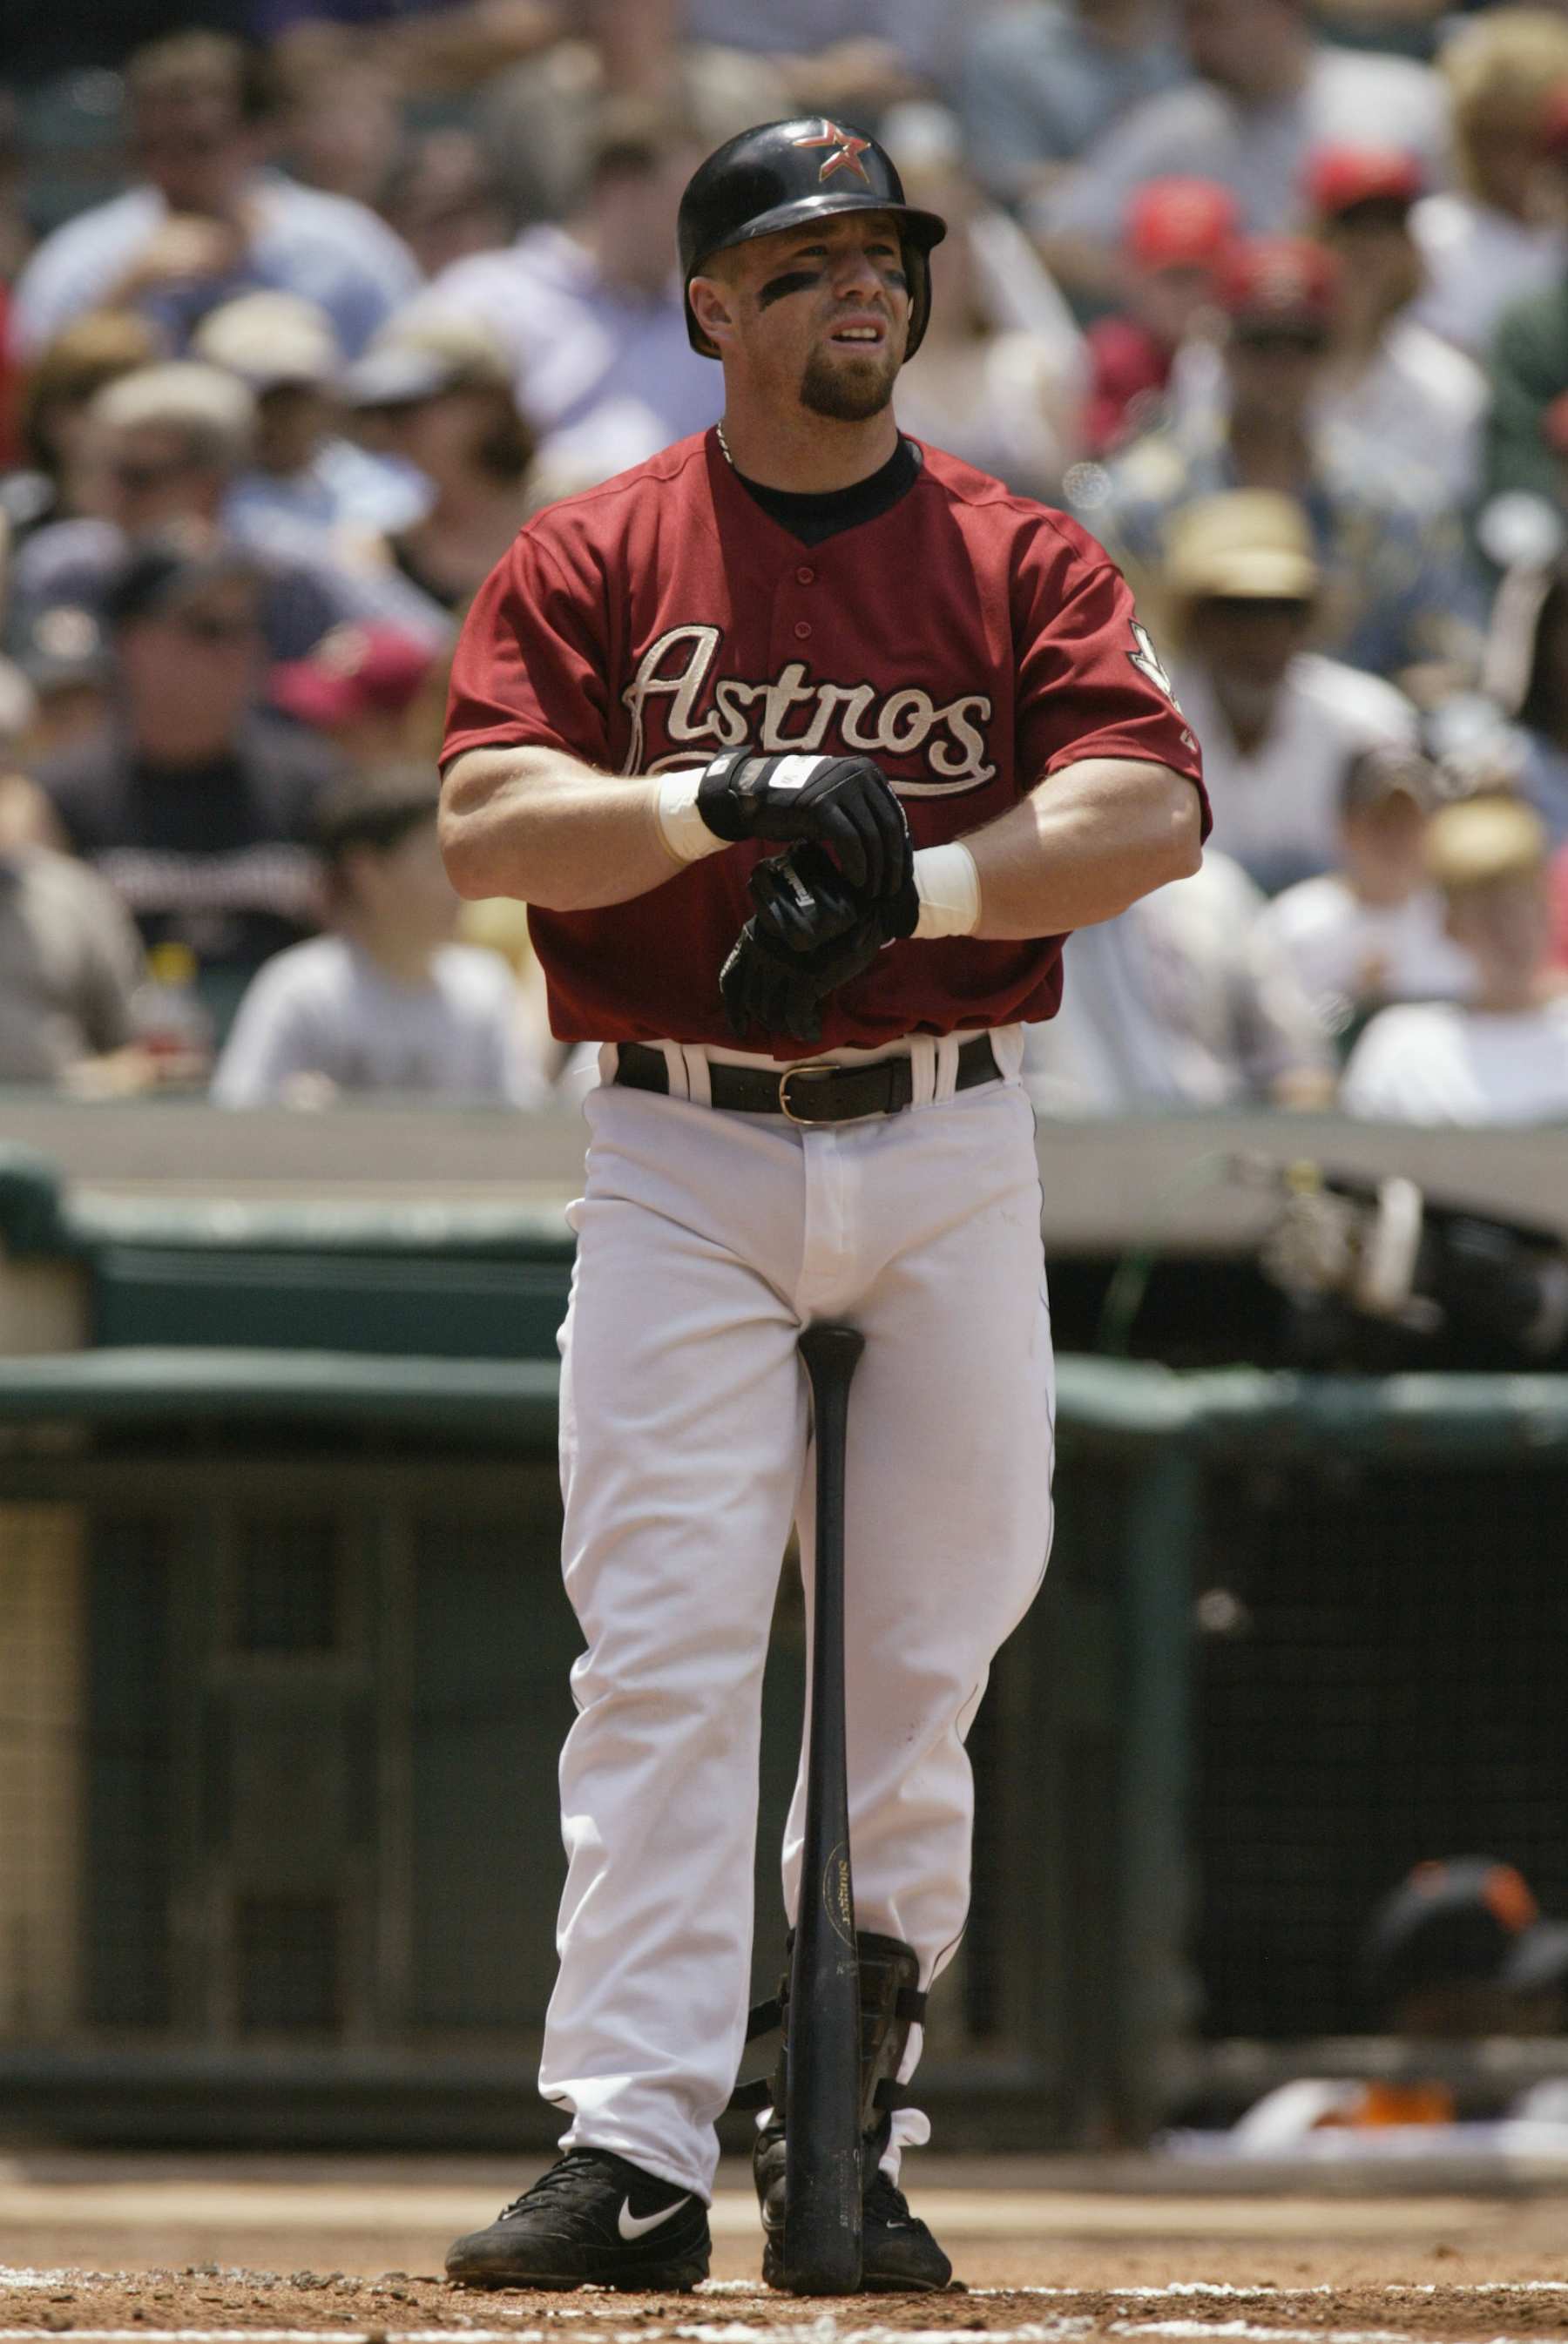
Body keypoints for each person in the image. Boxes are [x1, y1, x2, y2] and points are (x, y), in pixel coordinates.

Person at [436, 116, 1205, 2293]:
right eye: (800, 261)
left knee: (917, 1656)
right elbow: (494, 825)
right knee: (666, 1649)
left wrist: (915, 882)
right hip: (680, 1141)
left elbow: (1144, 808)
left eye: (879, 253)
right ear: (709, 307)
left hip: (947, 1123)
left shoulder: (1010, 547)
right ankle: (635, 2141)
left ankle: (843, 2116)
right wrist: (711, 801)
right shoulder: (601, 548)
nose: (855, 286)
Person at [1088, 235, 1482, 690]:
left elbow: (1452, 655)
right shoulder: (1139, 502)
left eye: (1303, 343)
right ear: (1222, 344)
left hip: (1357, 745)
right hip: (1179, 736)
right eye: (1261, 341)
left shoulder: (1398, 507)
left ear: (1329, 350)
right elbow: (1098, 657)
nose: (1281, 364)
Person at [32, 536, 341, 1037]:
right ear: (131, 643)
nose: (240, 650)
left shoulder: (317, 786)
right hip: (115, 1086)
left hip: (282, 1091)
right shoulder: (60, 796)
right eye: (209, 629)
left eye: (250, 628)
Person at [6, 32, 421, 365]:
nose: (170, 167)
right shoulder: (83, 258)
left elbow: (410, 377)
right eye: (151, 146)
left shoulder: (344, 246)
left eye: (198, 145)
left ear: (259, 136)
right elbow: (40, 408)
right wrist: (122, 296)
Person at [1032, 0, 1448, 307]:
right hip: (1244, 358)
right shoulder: (1174, 128)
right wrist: (1176, 288)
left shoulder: (1404, 98)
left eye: (1212, 15)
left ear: (1282, 11)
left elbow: (1466, 234)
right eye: (1187, 19)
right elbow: (1057, 237)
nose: (1194, 38)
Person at [392, 102, 720, 490]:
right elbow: (410, 433)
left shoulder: (712, 320)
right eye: (684, 203)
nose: (705, 225)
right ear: (618, 192)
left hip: (678, 529)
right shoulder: (486, 294)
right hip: (524, 529)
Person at [212, 764, 546, 1107]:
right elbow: (237, 1114)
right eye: (438, 864)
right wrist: (289, 1112)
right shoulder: (299, 990)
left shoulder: (485, 989)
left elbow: (523, 1121)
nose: (461, 885)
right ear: (368, 872)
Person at [1154, 490, 1421, 892]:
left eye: (1282, 610)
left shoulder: (1369, 724)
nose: (1260, 635)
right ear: (1197, 622)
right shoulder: (1143, 726)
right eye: (1235, 611)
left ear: (1304, 623)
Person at [1019, 844, 1335, 1112]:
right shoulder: (996, 899)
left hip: (1211, 1155)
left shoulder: (1211, 889)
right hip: (1050, 1160)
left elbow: (1300, 1068)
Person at [1342, 794, 1568, 1124]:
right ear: (1451, 926)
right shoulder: (1401, 1046)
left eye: (1525, 907)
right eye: (1489, 913)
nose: (1512, 934)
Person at [1306, 145, 1486, 517]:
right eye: (1351, 226)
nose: (1370, 248)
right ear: (1313, 235)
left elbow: (1447, 528)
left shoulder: (1448, 385)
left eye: (1388, 228)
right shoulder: (1251, 354)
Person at [1255, 745, 1476, 1036]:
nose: (1396, 837)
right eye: (1381, 821)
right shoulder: (1293, 925)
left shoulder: (1463, 923)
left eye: (1409, 821)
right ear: (1347, 826)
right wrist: (1352, 1000)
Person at [338, 319, 539, 612]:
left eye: (413, 405)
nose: (395, 428)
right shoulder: (380, 555)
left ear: (488, 403)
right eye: (387, 411)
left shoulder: (582, 521)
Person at [1410, 10, 1568, 361]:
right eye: (1494, 137)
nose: (1511, 160)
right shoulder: (1429, 238)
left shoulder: (1560, 240)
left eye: (1532, 140)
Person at [957, 0, 1189, 214]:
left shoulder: (1182, 47)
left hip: (1178, 227)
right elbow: (1001, 177)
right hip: (1044, 237)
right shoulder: (1008, 50)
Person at [1082, 177, 1239, 460]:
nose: (1190, 296)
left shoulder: (1252, 352)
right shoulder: (1112, 357)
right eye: (1174, 278)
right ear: (1135, 277)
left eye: (1202, 277)